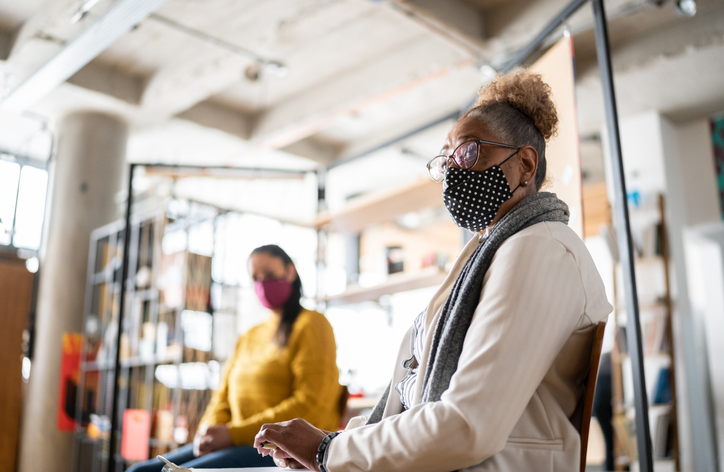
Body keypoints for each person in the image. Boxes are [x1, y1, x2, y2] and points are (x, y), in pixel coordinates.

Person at [253, 70, 613, 472]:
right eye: (447, 158)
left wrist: (327, 452)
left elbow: (466, 424)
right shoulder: (490, 254)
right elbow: (415, 399)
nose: (453, 170)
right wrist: (333, 445)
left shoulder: (539, 249)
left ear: (525, 165)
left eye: (467, 151)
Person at [127, 244, 342, 471]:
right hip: (234, 440)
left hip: (276, 447)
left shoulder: (313, 325)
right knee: (138, 471)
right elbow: (222, 397)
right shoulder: (249, 336)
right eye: (255, 278)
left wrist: (232, 434)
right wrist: (208, 431)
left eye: (268, 275)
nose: (262, 284)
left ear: (291, 272)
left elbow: (310, 405)